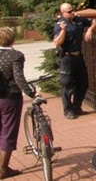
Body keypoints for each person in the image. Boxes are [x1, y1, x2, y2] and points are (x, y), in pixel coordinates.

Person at [0, 27, 37, 178]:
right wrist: (32, 93)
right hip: (10, 98)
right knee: (8, 131)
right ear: (13, 39)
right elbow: (18, 78)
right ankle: (3, 169)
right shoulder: (16, 55)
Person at [53, 3, 96, 119]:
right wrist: (63, 31)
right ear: (63, 13)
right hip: (66, 58)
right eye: (69, 11)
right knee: (67, 85)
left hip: (78, 56)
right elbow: (57, 43)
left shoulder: (79, 20)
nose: (72, 12)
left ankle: (76, 107)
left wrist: (90, 30)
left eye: (73, 10)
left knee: (83, 84)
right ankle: (68, 110)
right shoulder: (60, 24)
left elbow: (95, 21)